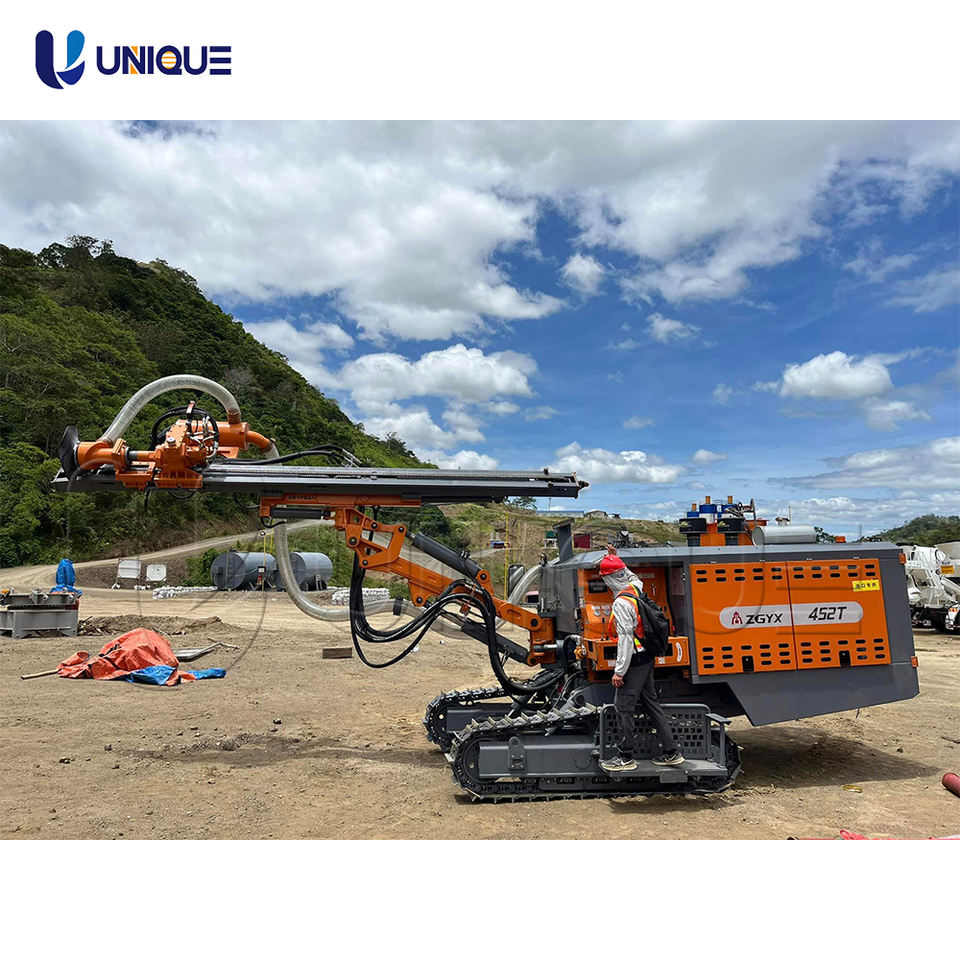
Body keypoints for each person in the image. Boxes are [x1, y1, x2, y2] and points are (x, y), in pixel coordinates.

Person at [597, 550, 684, 773]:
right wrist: (617, 560)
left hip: (634, 661)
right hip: (647, 658)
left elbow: (625, 639)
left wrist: (619, 671)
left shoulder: (621, 603)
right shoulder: (635, 588)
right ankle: (672, 752)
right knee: (651, 703)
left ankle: (625, 756)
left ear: (608, 579)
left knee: (623, 706)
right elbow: (632, 576)